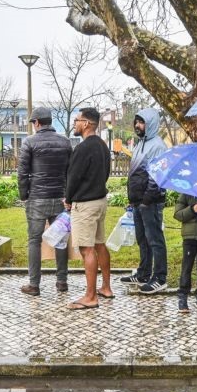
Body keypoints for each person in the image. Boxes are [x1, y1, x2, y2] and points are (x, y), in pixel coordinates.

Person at [17, 107, 73, 296]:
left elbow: (22, 173)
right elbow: (70, 172)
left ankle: (34, 285)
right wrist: (69, 195)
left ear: (37, 123)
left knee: (34, 241)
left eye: (33, 123)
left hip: (37, 198)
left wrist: (24, 195)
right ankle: (62, 281)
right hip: (60, 197)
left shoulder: (29, 142)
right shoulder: (65, 142)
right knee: (60, 240)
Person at [63, 107, 113, 309]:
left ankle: (91, 297)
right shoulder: (102, 146)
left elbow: (73, 178)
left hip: (85, 205)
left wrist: (68, 198)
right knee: (100, 244)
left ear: (86, 123)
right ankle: (106, 287)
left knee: (86, 248)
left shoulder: (83, 148)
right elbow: (107, 172)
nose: (74, 124)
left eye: (77, 120)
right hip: (100, 201)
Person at [120, 108, 168, 294]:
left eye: (141, 122)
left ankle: (160, 277)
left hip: (151, 202)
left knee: (155, 239)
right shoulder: (141, 143)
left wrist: (147, 200)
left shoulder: (157, 145)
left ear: (151, 124)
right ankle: (144, 273)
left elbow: (157, 176)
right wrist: (134, 200)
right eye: (136, 122)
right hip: (139, 201)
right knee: (143, 239)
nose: (137, 125)